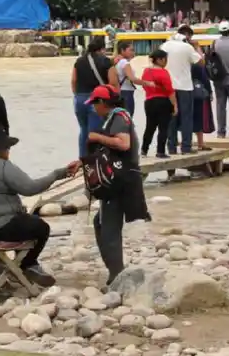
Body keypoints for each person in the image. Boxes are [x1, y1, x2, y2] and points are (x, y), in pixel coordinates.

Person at [0, 124, 79, 287]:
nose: (9, 150)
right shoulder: (2, 166)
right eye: (7, 147)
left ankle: (23, 266)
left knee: (23, 221)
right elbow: (30, 188)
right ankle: (26, 265)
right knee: (40, 227)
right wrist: (57, 174)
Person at [85, 85, 150, 286]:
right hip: (121, 178)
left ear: (102, 103)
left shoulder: (119, 117)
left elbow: (123, 144)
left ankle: (116, 275)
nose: (93, 108)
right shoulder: (115, 117)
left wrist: (96, 137)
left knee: (109, 227)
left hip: (120, 181)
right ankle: (115, 271)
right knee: (100, 222)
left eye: (95, 104)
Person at [71, 37, 119, 157]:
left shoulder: (79, 61)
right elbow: (113, 83)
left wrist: (77, 96)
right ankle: (95, 160)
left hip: (80, 99)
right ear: (102, 48)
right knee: (96, 132)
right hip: (98, 99)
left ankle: (83, 159)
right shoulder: (106, 62)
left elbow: (73, 80)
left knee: (83, 130)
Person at [159, 26, 203, 154]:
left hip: (168, 87)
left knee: (171, 118)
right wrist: (197, 47)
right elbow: (201, 62)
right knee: (186, 118)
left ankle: (171, 147)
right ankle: (186, 147)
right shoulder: (187, 47)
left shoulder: (164, 46)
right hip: (185, 87)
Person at [140, 49, 177, 159]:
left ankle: (144, 150)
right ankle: (160, 151)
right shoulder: (163, 72)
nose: (166, 62)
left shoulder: (146, 71)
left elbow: (144, 85)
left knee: (150, 127)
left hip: (149, 101)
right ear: (160, 59)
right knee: (163, 127)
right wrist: (175, 105)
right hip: (163, 101)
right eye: (165, 59)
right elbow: (170, 90)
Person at [113, 41, 152, 117]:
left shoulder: (118, 62)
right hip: (127, 93)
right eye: (130, 50)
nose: (133, 52)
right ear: (122, 50)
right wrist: (148, 83)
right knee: (128, 117)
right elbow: (132, 78)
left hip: (120, 91)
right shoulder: (124, 63)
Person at [191, 62, 215, 149]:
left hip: (187, 93)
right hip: (200, 94)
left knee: (188, 119)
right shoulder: (199, 66)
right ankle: (200, 143)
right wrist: (210, 92)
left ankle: (187, 143)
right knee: (199, 119)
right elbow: (205, 80)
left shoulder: (186, 66)